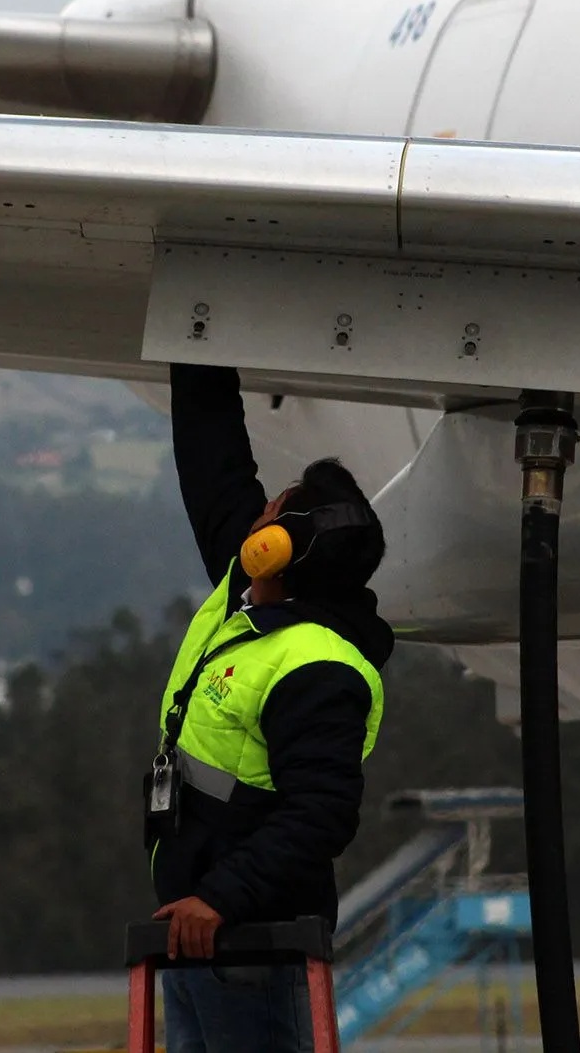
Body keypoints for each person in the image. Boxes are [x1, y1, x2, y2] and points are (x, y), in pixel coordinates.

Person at [148, 363, 393, 1053]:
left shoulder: (316, 665)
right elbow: (214, 462)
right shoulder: (255, 594)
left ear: (274, 548)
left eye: (269, 510)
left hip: (250, 941)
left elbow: (321, 812)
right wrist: (200, 345)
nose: (254, 512)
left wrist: (222, 897)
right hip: (201, 934)